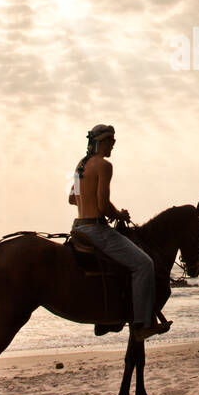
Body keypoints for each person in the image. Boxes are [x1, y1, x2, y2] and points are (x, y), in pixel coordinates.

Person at [69, 123, 170, 342]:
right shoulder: (104, 166)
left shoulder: (80, 165)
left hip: (78, 226)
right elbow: (103, 205)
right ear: (101, 142)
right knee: (144, 264)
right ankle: (142, 324)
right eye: (110, 141)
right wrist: (120, 215)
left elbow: (70, 198)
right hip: (95, 229)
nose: (113, 145)